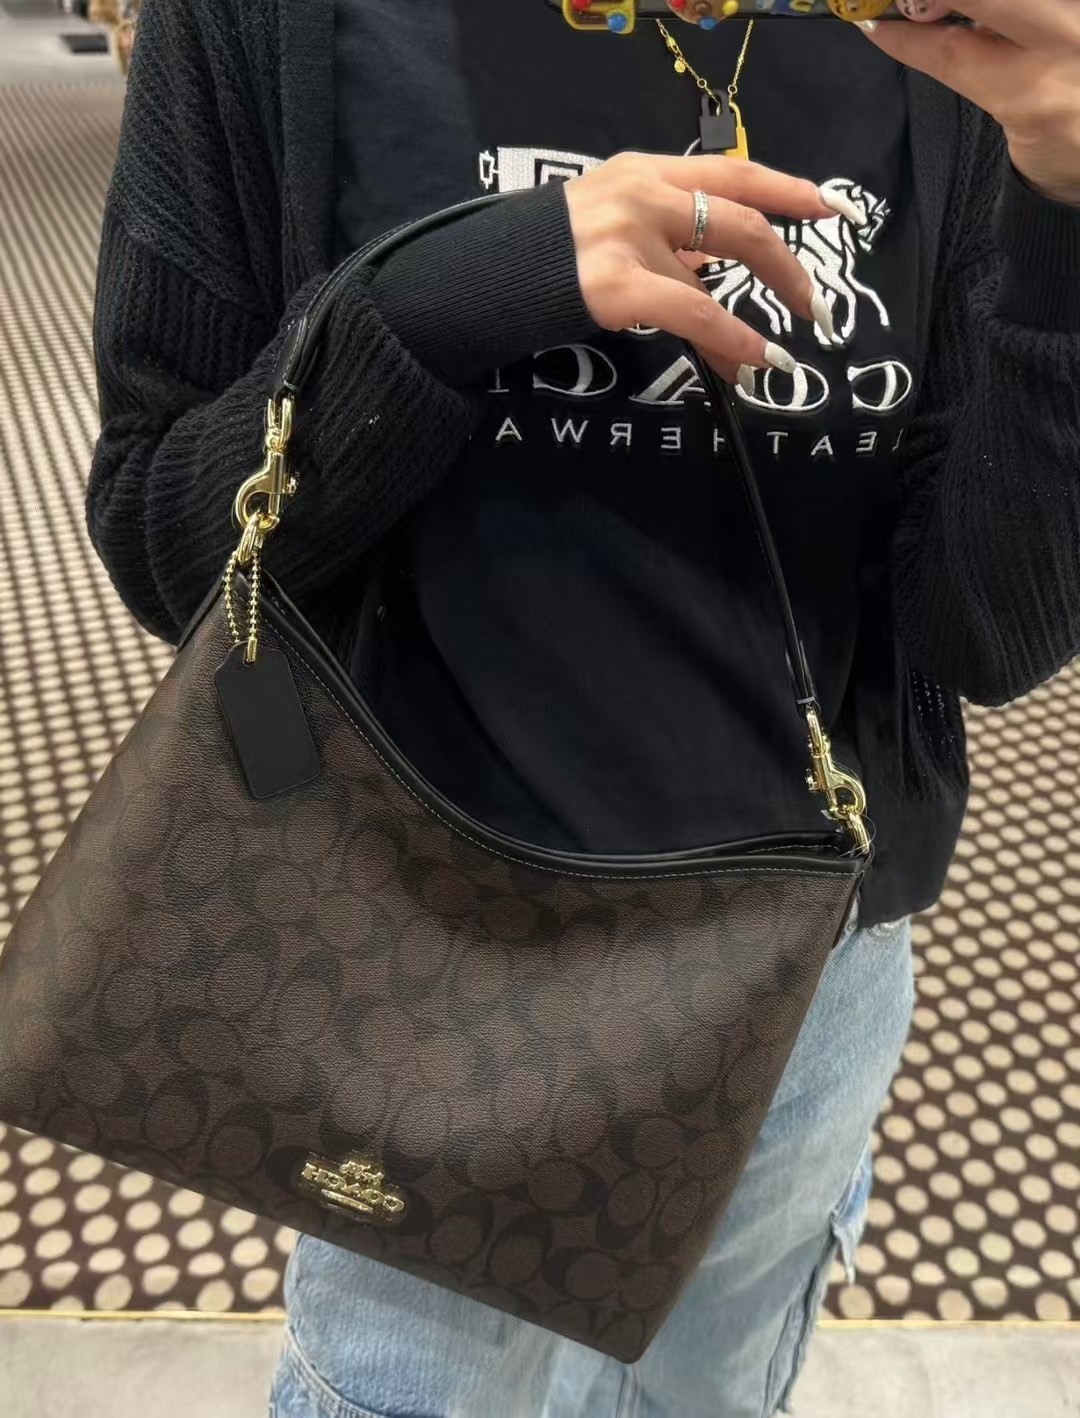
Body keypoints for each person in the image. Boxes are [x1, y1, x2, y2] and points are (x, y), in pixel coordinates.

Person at [87, 1, 1080, 1413]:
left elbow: (983, 628)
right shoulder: (272, 23)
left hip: (800, 971)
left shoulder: (953, 44)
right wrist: (454, 294)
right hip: (425, 948)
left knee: (708, 1393)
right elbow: (171, 540)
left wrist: (1068, 204)